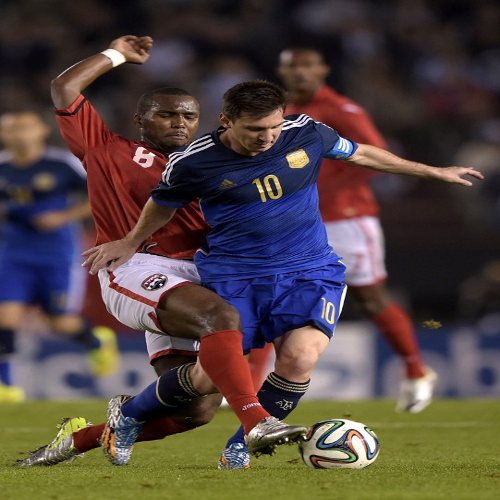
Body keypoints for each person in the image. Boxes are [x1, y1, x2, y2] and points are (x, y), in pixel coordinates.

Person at [83, 79, 482, 470]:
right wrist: (130, 241)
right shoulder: (193, 162)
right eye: (255, 130)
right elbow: (162, 204)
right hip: (237, 275)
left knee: (300, 357)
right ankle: (131, 414)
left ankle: (242, 444)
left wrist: (432, 171)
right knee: (207, 380)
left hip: (310, 269)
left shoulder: (307, 133)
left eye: (274, 126)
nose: (267, 137)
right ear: (226, 121)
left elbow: (360, 154)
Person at [17, 36, 306, 468]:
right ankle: (255, 421)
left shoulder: (213, 162)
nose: (179, 122)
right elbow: (64, 90)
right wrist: (117, 55)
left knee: (197, 408)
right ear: (141, 119)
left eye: (189, 116)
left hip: (198, 279)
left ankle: (80, 439)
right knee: (221, 319)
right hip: (133, 267)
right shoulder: (107, 150)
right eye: (166, 114)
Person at [278, 47, 437, 412]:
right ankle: (252, 382)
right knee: (275, 293)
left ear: (323, 69)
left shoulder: (342, 110)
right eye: (292, 67)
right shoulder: (282, 112)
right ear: (282, 72)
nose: (300, 73)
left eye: (307, 66)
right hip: (300, 221)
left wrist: (321, 190)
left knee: (370, 298)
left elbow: (377, 156)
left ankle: (416, 370)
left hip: (347, 218)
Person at [0, 110, 119, 403]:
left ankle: (95, 341)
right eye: (12, 128)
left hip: (57, 256)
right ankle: (6, 386)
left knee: (58, 321)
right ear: (4, 135)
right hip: (12, 254)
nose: (19, 133)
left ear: (41, 130)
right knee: (6, 316)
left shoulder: (61, 164)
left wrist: (63, 216)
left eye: (25, 126)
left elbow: (99, 195)